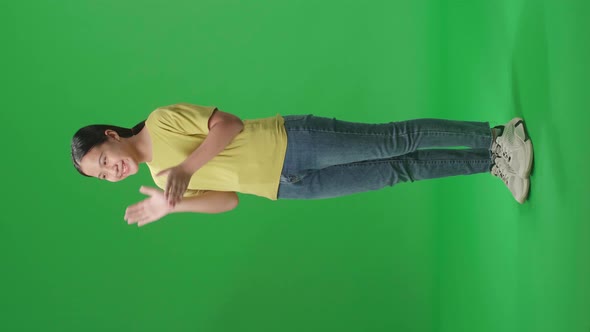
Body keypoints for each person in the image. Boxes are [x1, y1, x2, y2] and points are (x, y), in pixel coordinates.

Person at [71, 103, 534, 227]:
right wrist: (176, 206)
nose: (111, 173)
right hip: (287, 187)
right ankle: (491, 162)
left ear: (112, 136)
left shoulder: (162, 121)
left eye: (104, 161)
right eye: (102, 176)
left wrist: (187, 169)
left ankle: (496, 137)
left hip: (294, 143)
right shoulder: (160, 181)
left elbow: (228, 125)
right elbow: (228, 201)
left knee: (394, 140)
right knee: (399, 170)